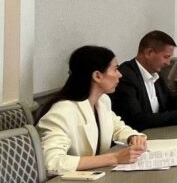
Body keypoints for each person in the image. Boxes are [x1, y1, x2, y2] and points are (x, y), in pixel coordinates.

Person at [36, 46, 147, 175]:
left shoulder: (103, 100)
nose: (120, 75)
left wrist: (133, 137)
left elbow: (117, 127)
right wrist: (115, 158)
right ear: (97, 76)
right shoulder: (61, 113)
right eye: (115, 69)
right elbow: (52, 163)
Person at [110, 31, 177, 131]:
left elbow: (171, 103)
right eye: (166, 57)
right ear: (149, 53)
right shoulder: (125, 76)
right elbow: (137, 120)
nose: (168, 63)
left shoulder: (155, 74)